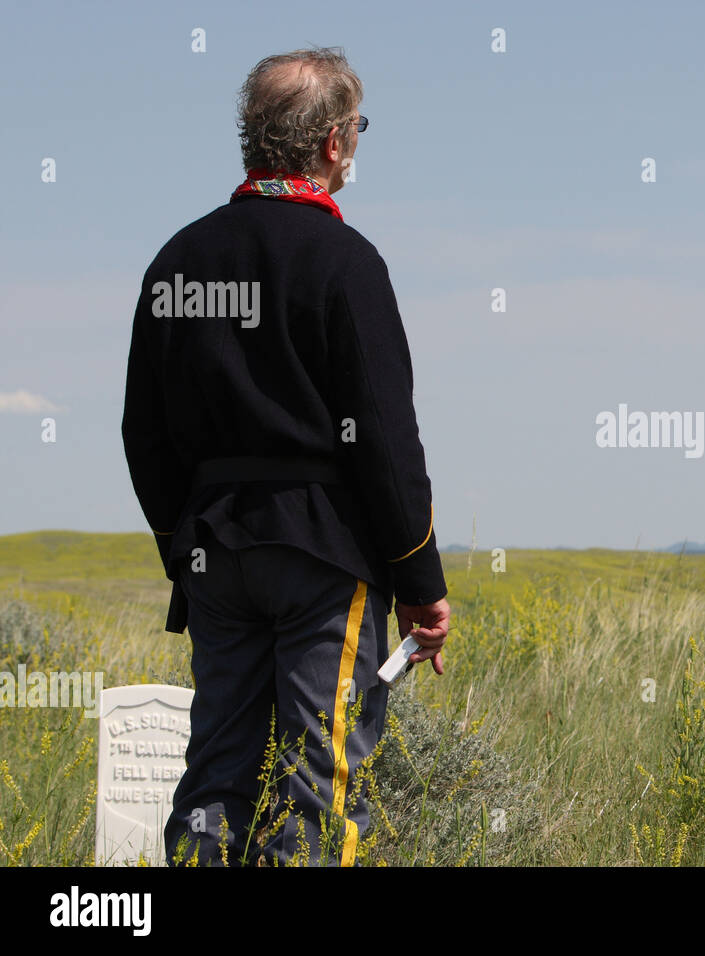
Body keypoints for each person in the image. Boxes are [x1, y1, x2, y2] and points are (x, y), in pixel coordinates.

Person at [120, 47, 451, 866]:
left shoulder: (178, 259)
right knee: (319, 780)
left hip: (214, 553)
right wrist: (421, 582)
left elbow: (143, 431)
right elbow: (383, 437)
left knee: (214, 774)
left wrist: (186, 547)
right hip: (322, 555)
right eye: (357, 130)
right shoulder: (346, 261)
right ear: (334, 142)